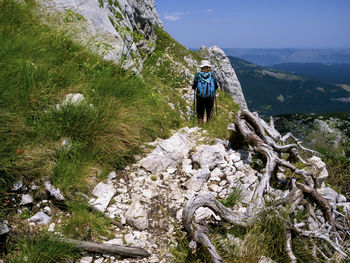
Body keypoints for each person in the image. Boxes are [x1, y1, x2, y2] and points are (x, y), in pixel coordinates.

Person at [192, 60, 218, 125]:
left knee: (200, 112)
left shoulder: (198, 75)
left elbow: (194, 86)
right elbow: (216, 87)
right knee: (209, 111)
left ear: (202, 67)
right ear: (208, 67)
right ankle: (209, 126)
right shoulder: (212, 75)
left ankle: (200, 125)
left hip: (200, 97)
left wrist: (194, 87)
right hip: (210, 97)